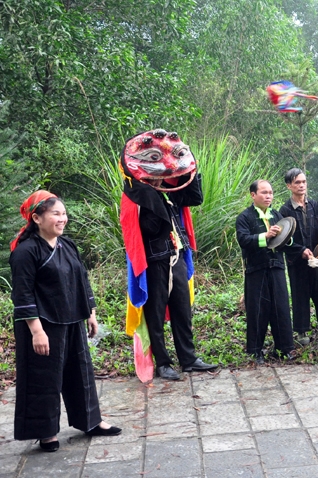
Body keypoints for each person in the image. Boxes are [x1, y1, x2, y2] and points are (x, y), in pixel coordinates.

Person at [10, 191, 121, 452]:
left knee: (80, 373)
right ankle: (45, 432)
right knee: (43, 378)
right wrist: (36, 331)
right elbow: (22, 294)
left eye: (64, 214)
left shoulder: (66, 245)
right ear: (36, 218)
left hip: (72, 320)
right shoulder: (26, 252)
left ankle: (91, 422)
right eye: (56, 214)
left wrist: (90, 313)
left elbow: (82, 280)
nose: (63, 219)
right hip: (42, 325)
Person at [119, 130, 217, 382]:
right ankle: (162, 362)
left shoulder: (170, 191)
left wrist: (188, 169)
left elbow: (194, 197)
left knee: (182, 310)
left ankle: (188, 359)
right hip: (155, 262)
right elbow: (151, 227)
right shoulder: (134, 194)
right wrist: (149, 185)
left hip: (177, 258)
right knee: (155, 313)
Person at [236, 180, 295, 363]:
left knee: (281, 308)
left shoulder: (277, 215)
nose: (268, 196)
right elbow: (244, 240)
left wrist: (286, 238)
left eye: (270, 192)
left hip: (276, 267)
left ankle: (284, 349)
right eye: (264, 192)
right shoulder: (244, 217)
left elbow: (287, 242)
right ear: (253, 195)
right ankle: (255, 351)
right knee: (257, 310)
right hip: (256, 269)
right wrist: (265, 236)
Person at [279, 168, 318, 345]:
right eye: (297, 183)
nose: (301, 185)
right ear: (289, 186)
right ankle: (302, 331)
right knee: (300, 294)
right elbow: (283, 239)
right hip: (297, 261)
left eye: (303, 182)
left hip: (317, 256)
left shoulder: (312, 204)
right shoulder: (285, 210)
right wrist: (300, 250)